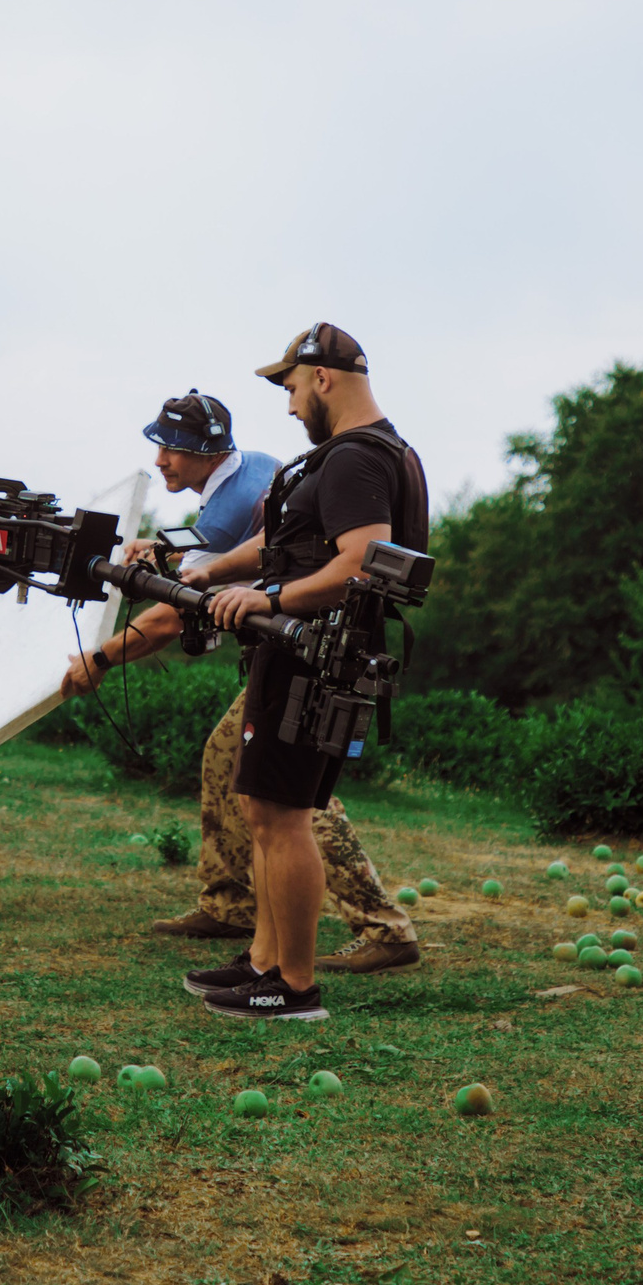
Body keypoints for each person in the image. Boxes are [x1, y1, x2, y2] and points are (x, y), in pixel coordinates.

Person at [60, 390, 419, 974]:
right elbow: (211, 561)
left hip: (310, 645)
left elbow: (174, 615)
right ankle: (230, 903)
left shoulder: (232, 504)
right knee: (227, 759)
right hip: (303, 639)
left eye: (172, 450)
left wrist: (100, 660)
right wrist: (169, 552)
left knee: (292, 802)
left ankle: (384, 926)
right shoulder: (247, 467)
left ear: (205, 453)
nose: (160, 462)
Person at [176, 324, 429, 1021]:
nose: (288, 405)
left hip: (313, 654)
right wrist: (203, 569)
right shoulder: (366, 455)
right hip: (303, 650)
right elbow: (284, 545)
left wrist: (272, 599)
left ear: (323, 377)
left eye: (291, 387)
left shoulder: (355, 460)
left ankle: (293, 983)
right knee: (264, 810)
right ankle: (262, 962)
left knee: (283, 818)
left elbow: (361, 559)